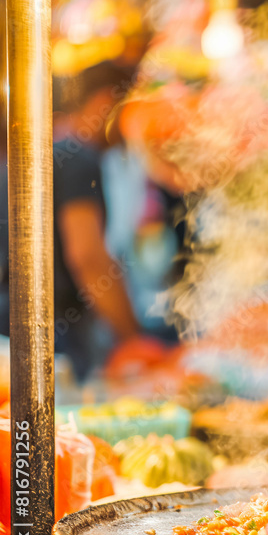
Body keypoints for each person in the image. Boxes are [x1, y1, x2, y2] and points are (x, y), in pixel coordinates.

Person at [1, 61, 157, 380]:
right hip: (53, 334)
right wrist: (134, 339)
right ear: (105, 103)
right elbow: (87, 257)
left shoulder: (37, 151)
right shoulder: (78, 159)